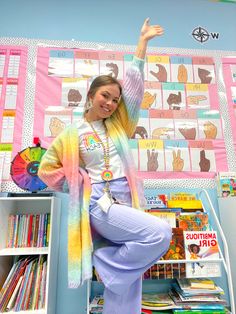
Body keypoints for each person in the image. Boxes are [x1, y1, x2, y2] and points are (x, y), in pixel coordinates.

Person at [38, 18, 172, 314]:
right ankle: (106, 264)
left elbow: (135, 93)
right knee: (160, 233)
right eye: (105, 96)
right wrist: (78, 180)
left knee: (127, 284)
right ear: (90, 95)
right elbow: (46, 170)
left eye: (115, 99)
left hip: (126, 199)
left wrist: (142, 45)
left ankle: (113, 277)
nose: (110, 103)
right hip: (99, 203)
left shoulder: (119, 125)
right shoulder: (71, 134)